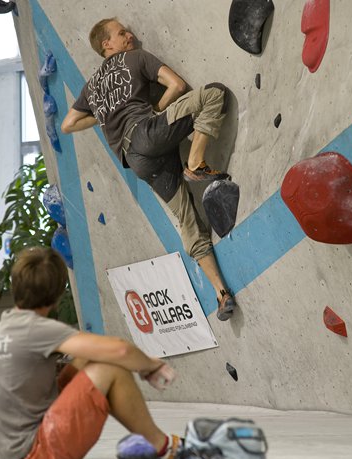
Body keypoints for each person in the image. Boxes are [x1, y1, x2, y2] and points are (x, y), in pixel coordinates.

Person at [62, 17, 236, 321]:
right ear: (107, 44)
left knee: (186, 218)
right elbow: (178, 85)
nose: (129, 35)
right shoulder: (135, 58)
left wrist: (103, 117)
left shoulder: (91, 88)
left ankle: (221, 293)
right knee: (214, 94)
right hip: (148, 132)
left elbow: (68, 124)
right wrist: (156, 110)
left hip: (137, 161)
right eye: (121, 33)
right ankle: (195, 162)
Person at [0, 247, 181, 459]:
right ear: (57, 294)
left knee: (85, 357)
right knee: (110, 368)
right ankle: (164, 446)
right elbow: (121, 350)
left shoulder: (7, 325)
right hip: (36, 452)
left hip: (15, 452)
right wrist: (150, 366)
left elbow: (92, 352)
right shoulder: (34, 328)